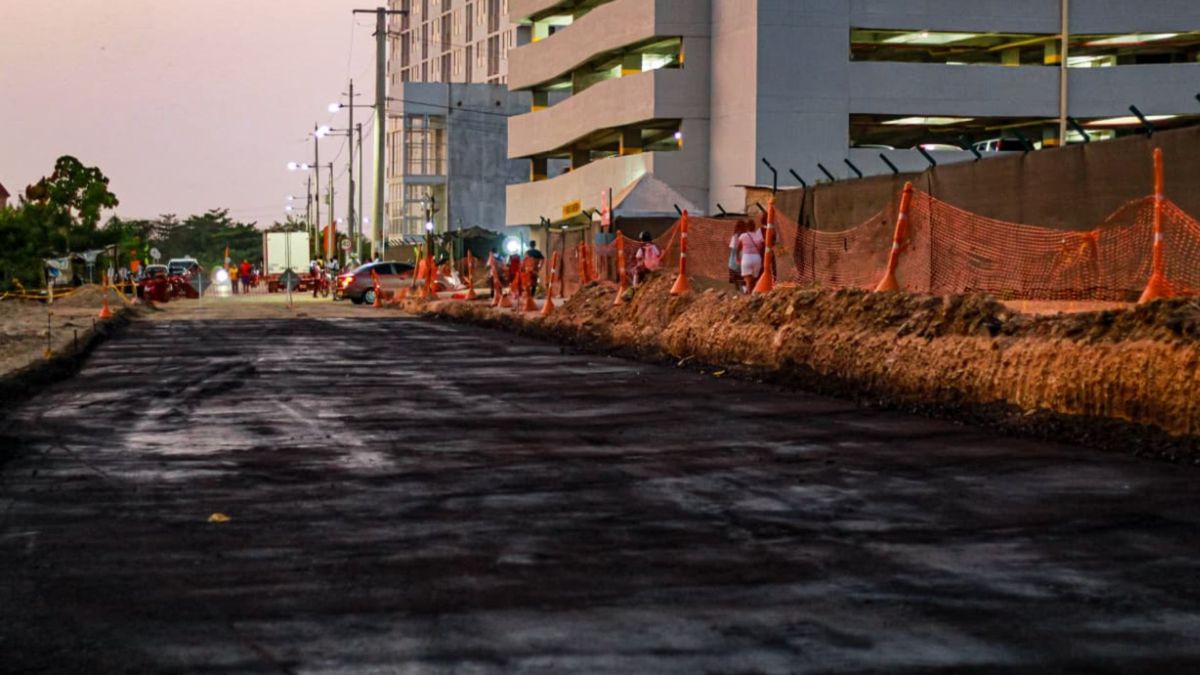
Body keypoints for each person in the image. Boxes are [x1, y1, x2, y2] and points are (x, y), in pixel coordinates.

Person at [737, 217, 765, 293]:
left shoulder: (743, 236)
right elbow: (762, 248)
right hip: (757, 258)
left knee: (748, 280)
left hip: (747, 258)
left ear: (747, 227)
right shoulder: (759, 236)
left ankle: (750, 295)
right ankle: (753, 293)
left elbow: (738, 248)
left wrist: (737, 258)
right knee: (753, 279)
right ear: (754, 226)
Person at [728, 220, 748, 292]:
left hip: (733, 262)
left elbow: (732, 248)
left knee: (736, 280)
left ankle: (738, 293)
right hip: (743, 259)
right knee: (744, 280)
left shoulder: (735, 236)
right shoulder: (746, 235)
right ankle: (745, 292)